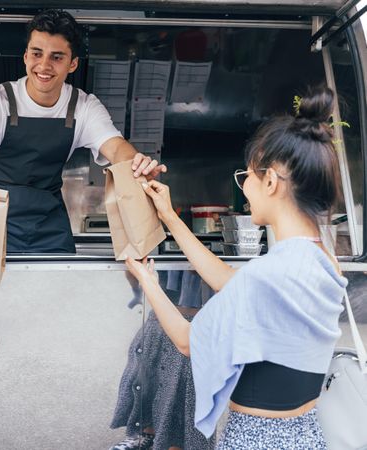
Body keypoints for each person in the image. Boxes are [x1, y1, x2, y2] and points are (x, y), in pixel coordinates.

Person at [126, 85, 347, 449]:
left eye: (247, 178)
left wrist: (147, 280)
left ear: (271, 181)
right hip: (305, 432)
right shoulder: (322, 258)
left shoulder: (268, 275)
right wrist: (169, 216)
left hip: (259, 437)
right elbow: (231, 282)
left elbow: (186, 341)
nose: (244, 189)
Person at [0, 9, 165, 253]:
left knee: (59, 290)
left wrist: (136, 163)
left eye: (57, 57)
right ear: (26, 56)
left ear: (73, 64)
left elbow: (115, 147)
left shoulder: (83, 106)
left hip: (48, 226)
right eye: (37, 54)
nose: (44, 65)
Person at [110, 271, 215, 450]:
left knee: (184, 384)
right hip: (160, 317)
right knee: (144, 371)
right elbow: (136, 278)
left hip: (199, 320)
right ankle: (147, 433)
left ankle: (176, 443)